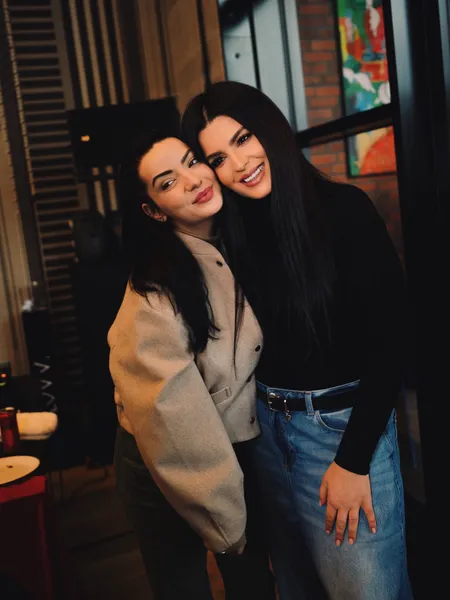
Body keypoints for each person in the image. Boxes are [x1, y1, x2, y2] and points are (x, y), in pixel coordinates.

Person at [181, 81, 413, 600]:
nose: (239, 164)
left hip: (340, 431)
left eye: (243, 138)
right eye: (218, 158)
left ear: (271, 127)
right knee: (296, 588)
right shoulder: (233, 234)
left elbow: (392, 341)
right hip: (265, 432)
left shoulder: (344, 211)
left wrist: (353, 460)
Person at [108, 131, 275, 600]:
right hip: (163, 450)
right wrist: (228, 522)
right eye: (168, 182)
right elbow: (175, 425)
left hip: (229, 440)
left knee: (252, 581)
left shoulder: (237, 238)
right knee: (183, 585)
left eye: (192, 161)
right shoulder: (153, 294)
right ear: (154, 211)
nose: (194, 180)